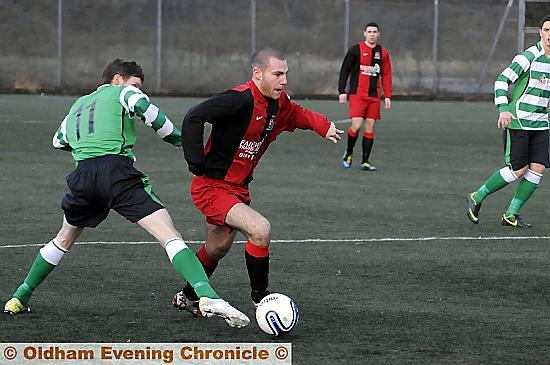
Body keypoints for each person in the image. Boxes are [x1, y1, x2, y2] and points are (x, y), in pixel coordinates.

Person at [3, 59, 250, 328]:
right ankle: (206, 294)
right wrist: (179, 139)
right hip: (116, 172)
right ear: (118, 79)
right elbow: (147, 110)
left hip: (83, 177)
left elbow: (58, 140)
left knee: (63, 238)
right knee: (169, 235)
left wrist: (89, 146)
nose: (139, 91)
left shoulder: (78, 105)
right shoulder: (123, 92)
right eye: (135, 84)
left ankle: (20, 296)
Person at [172, 47, 342, 316]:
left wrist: (322, 125)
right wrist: (195, 161)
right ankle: (261, 299)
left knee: (217, 248)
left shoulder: (279, 103)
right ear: (258, 74)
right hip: (212, 187)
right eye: (277, 74)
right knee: (260, 229)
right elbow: (195, 116)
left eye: (286, 74)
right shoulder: (239, 99)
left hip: (237, 188)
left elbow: (297, 113)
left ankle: (188, 295)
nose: (284, 80)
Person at [467, 15, 550, 228]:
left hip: (541, 124)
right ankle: (477, 196)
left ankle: (510, 214)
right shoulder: (528, 57)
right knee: (518, 170)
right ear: (540, 32)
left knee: (538, 169)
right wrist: (503, 109)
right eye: (547, 30)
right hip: (518, 121)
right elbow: (502, 81)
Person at [338, 22, 392, 171]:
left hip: (374, 96)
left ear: (378, 34)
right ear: (365, 34)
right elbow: (345, 70)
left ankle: (365, 161)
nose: (372, 34)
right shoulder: (356, 50)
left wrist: (387, 95)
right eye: (369, 31)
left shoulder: (383, 53)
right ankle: (348, 153)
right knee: (356, 125)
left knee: (370, 126)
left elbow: (386, 74)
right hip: (357, 94)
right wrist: (342, 90)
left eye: (375, 31)